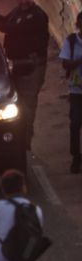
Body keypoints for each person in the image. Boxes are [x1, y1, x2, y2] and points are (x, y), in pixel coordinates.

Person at [0, 0, 49, 148]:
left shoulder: (37, 15)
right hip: (18, 65)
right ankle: (19, 140)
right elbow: (6, 21)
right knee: (17, 105)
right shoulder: (17, 12)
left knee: (27, 106)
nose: (24, 1)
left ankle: (26, 143)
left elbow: (13, 28)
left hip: (31, 67)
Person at [59, 10, 82, 173]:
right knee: (75, 124)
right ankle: (76, 156)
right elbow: (65, 64)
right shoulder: (72, 41)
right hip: (76, 90)